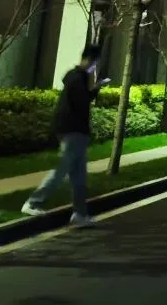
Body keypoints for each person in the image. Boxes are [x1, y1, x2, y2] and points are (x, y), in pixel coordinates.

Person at [21, 43, 102, 227]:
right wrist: (95, 88)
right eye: (95, 63)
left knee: (79, 177)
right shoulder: (78, 78)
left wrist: (95, 88)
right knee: (61, 171)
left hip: (75, 131)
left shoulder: (75, 77)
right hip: (73, 131)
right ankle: (33, 202)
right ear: (90, 60)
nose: (94, 67)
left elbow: (81, 100)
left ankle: (80, 214)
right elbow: (82, 103)